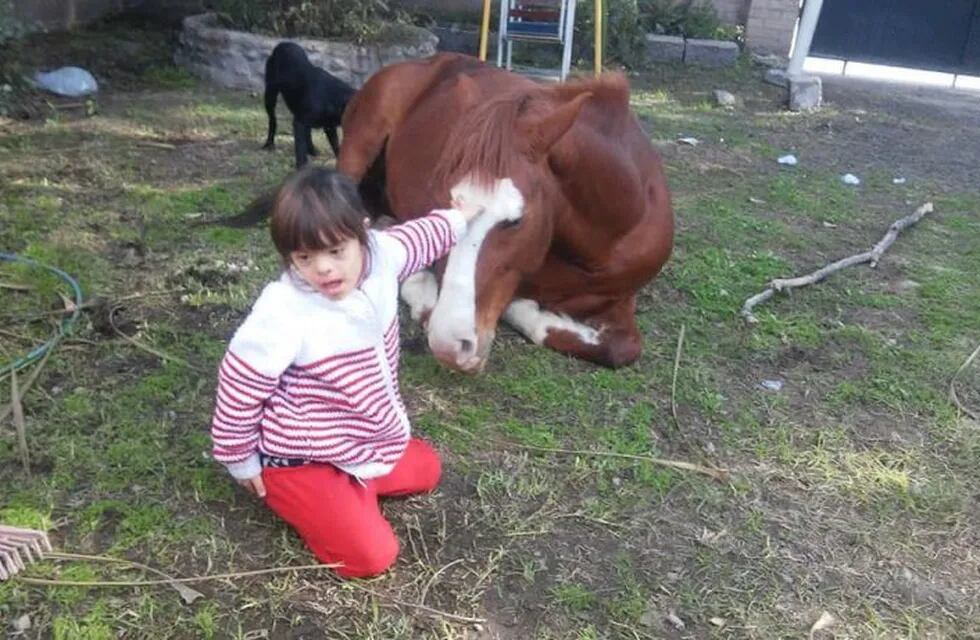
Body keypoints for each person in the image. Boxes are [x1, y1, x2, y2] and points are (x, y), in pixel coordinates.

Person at [210, 166, 479, 577]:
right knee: (372, 557)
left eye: (336, 251)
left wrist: (461, 216)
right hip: (299, 456)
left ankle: (352, 488)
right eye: (304, 257)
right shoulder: (283, 310)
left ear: (362, 234)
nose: (323, 270)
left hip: (360, 434)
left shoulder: (382, 255)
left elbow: (422, 237)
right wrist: (239, 459)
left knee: (427, 468)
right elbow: (239, 383)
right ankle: (310, 497)